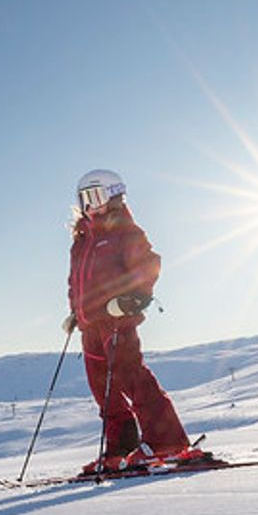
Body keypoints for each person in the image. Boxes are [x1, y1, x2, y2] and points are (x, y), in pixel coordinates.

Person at [65, 169, 200, 474]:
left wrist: (132, 299)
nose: (91, 205)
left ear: (114, 196)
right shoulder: (82, 240)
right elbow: (76, 282)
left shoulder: (125, 232)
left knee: (130, 376)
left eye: (97, 196)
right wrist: (75, 312)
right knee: (104, 389)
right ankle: (121, 448)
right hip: (91, 325)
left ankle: (168, 443)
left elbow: (148, 265)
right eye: (85, 199)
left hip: (116, 318)